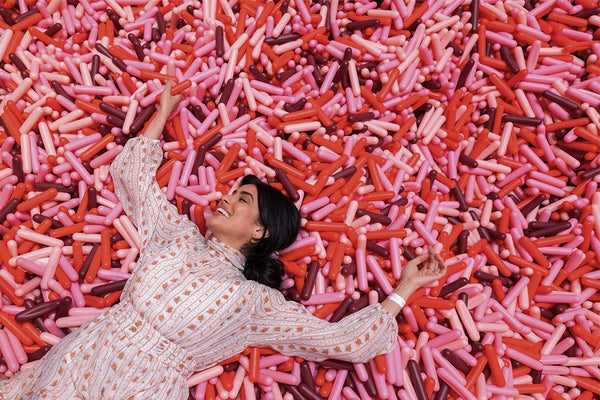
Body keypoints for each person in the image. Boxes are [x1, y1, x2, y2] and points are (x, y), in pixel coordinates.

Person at [0, 82, 446, 400]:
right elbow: (135, 177)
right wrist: (161, 115)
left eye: (242, 198)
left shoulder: (254, 303)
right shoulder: (175, 237)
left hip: (142, 388)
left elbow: (344, 344)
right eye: (232, 191)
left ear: (260, 231)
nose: (226, 197)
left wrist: (404, 289)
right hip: (81, 356)